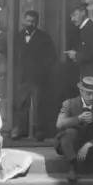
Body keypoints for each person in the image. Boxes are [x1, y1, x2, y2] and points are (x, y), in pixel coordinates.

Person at [12, 10, 57, 141]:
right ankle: (20, 130)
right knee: (21, 103)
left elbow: (51, 57)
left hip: (38, 77)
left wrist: (43, 72)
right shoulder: (19, 37)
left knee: (39, 104)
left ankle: (40, 131)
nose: (30, 24)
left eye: (33, 21)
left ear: (37, 22)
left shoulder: (44, 38)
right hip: (23, 76)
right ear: (23, 21)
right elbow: (15, 56)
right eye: (28, 21)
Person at [64, 1, 93, 87]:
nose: (72, 19)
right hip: (87, 79)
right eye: (71, 16)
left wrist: (76, 56)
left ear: (83, 12)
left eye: (74, 15)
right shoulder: (82, 30)